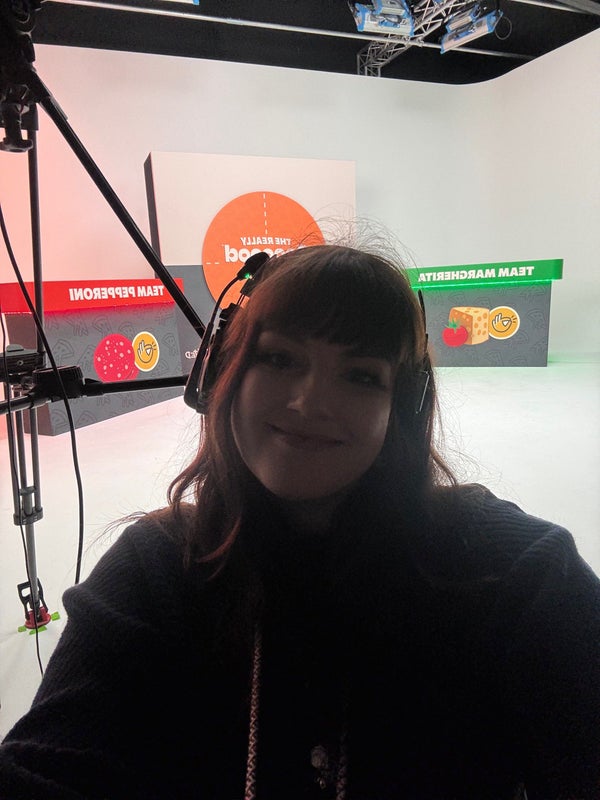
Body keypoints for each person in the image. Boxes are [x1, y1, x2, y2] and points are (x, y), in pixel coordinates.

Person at [0, 244, 598, 800]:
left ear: (402, 407)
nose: (310, 402)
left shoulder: (516, 574)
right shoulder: (153, 571)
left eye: (360, 375)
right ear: (225, 373)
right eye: (280, 359)